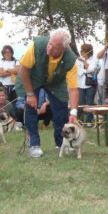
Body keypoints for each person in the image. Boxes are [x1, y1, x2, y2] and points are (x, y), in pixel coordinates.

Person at [15, 29, 79, 158]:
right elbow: (24, 69)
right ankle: (34, 145)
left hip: (55, 82)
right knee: (31, 108)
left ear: (63, 49)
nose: (49, 48)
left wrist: (73, 112)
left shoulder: (71, 60)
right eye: (49, 43)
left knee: (61, 110)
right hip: (33, 77)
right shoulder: (37, 46)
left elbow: (73, 89)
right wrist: (30, 94)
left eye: (54, 47)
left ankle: (62, 144)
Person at [77, 43, 98, 126]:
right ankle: (80, 120)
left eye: (82, 50)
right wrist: (87, 71)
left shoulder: (94, 59)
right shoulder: (78, 59)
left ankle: (89, 121)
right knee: (80, 102)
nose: (81, 52)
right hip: (80, 84)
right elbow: (78, 71)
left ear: (87, 51)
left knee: (90, 102)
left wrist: (84, 62)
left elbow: (92, 69)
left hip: (90, 84)